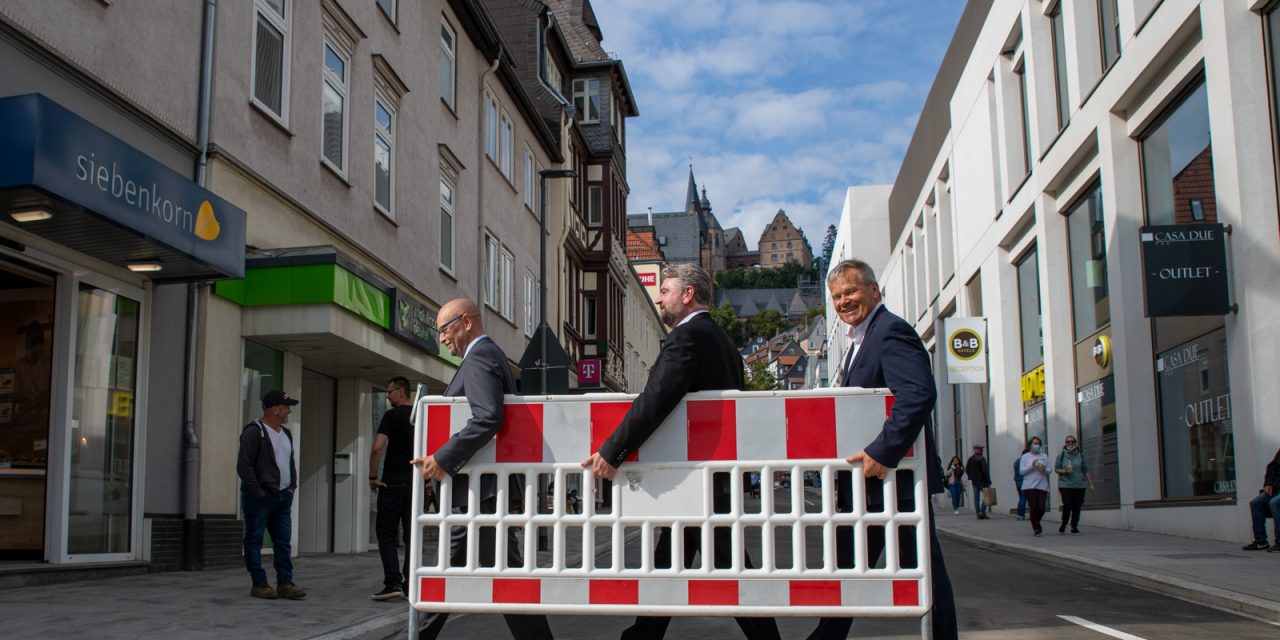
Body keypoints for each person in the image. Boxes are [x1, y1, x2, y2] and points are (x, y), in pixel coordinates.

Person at [582, 263, 780, 640]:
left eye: (666, 290)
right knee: (672, 560)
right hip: (709, 475)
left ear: (687, 294)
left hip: (697, 477)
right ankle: (643, 633)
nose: (660, 297)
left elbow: (656, 398)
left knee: (730, 566)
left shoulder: (688, 338)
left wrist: (612, 451)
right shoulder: (722, 340)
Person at [808, 259, 958, 640]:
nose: (844, 302)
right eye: (837, 296)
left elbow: (918, 395)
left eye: (851, 292)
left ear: (874, 290)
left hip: (893, 480)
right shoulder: (861, 340)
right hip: (871, 485)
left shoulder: (889, 332)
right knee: (851, 567)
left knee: (922, 570)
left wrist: (882, 451)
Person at [409, 299, 553, 640]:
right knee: (503, 578)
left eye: (445, 328)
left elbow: (488, 416)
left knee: (464, 576)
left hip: (479, 494)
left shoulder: (480, 357)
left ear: (467, 322)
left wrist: (442, 458)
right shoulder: (487, 355)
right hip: (483, 494)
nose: (441, 338)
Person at [236, 389, 306, 600]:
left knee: (283, 541)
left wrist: (292, 485)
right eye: (286, 407)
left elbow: (289, 461)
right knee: (255, 539)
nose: (289, 412)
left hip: (283, 496)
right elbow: (244, 465)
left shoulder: (285, 433)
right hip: (260, 497)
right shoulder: (254, 431)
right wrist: (257, 492)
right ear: (275, 409)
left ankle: (285, 583)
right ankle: (259, 584)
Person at [369, 376, 415, 600]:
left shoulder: (391, 416)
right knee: (411, 535)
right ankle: (410, 585)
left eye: (389, 392)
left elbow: (377, 448)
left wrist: (372, 476)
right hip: (415, 484)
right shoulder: (420, 416)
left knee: (386, 533)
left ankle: (393, 583)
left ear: (401, 391)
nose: (387, 396)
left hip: (392, 482)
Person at [1054, 434, 1094, 534]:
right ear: (1065, 443)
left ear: (1075, 443)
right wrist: (1064, 471)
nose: (1070, 443)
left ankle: (1074, 526)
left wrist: (1091, 484)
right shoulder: (1061, 455)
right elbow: (1056, 469)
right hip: (1065, 484)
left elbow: (1086, 470)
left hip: (1079, 484)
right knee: (1067, 504)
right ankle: (1064, 524)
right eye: (1068, 442)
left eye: (1072, 441)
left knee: (1077, 506)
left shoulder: (1080, 455)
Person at [1242, 447, 1280, 551]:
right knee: (1255, 503)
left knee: (1274, 503)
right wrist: (1268, 483)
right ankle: (1260, 541)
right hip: (1276, 487)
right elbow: (1272, 467)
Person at [1018, 437, 1051, 537]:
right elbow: (1022, 471)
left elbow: (1049, 470)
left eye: (1038, 443)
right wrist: (1032, 465)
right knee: (1034, 506)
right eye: (1034, 443)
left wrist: (1044, 468)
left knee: (1041, 507)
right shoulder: (1025, 457)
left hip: (1042, 484)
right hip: (1029, 485)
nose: (1036, 445)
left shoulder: (1044, 456)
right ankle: (1036, 528)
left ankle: (1036, 521)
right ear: (1030, 445)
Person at [965, 444, 991, 519]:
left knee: (976, 497)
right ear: (977, 449)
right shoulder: (982, 459)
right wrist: (988, 480)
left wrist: (971, 476)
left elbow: (967, 470)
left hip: (974, 481)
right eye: (981, 449)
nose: (982, 450)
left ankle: (978, 513)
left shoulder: (971, 459)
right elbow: (985, 470)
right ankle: (982, 511)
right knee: (987, 496)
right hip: (982, 481)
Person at [1014, 446, 1028, 521]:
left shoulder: (1017, 461)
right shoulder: (1024, 461)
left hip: (1017, 481)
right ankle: (1021, 514)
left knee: (1021, 498)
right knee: (1023, 498)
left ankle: (1019, 513)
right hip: (1023, 480)